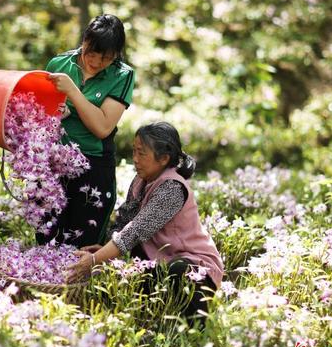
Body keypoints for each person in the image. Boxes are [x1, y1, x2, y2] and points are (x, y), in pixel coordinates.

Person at [67, 122, 224, 325]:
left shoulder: (172, 188)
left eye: (142, 154)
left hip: (193, 266)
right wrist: (104, 249)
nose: (135, 159)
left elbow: (136, 230)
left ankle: (194, 327)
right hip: (160, 259)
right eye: (134, 151)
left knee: (177, 271)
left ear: (164, 159)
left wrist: (96, 259)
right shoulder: (142, 179)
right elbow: (124, 219)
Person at [36, 14, 135, 248]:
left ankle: (77, 287)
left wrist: (73, 92)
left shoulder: (122, 74)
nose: (97, 61)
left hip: (93, 164)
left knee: (84, 242)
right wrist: (53, 114)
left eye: (106, 57)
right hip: (52, 162)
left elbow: (102, 127)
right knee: (47, 237)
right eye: (91, 51)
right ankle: (44, 286)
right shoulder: (59, 64)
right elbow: (39, 113)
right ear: (85, 40)